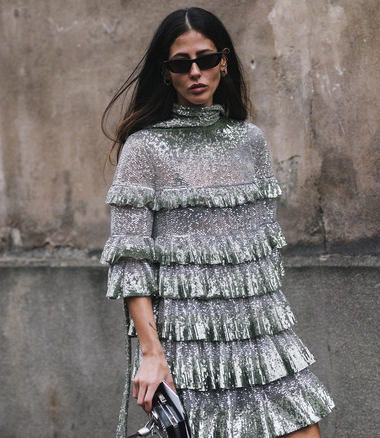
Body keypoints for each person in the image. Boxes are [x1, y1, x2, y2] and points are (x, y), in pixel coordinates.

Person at [100, 7, 335, 438]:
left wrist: (272, 332)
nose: (196, 72)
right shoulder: (144, 148)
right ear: (166, 72)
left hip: (259, 334)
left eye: (206, 59)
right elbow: (131, 262)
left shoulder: (251, 140)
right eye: (181, 63)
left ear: (223, 62)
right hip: (188, 340)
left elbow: (259, 257)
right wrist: (152, 353)